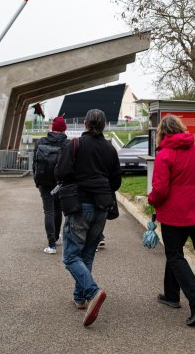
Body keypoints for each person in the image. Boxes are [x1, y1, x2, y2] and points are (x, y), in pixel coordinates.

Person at [54, 108, 121, 327]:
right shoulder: (110, 149)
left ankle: (93, 292)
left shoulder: (75, 145)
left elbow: (61, 173)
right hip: (102, 206)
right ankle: (80, 298)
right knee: (88, 253)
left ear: (85, 123)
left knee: (71, 256)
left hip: (79, 204)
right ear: (103, 126)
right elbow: (116, 182)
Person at [147, 114, 195, 327]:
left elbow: (160, 189)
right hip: (194, 212)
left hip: (173, 214)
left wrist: (151, 200)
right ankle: (171, 295)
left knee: (174, 255)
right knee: (175, 252)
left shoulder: (164, 154)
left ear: (162, 133)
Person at [32, 116, 67, 254]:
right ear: (64, 129)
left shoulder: (41, 141)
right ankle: (56, 236)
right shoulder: (67, 144)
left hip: (44, 182)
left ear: (52, 128)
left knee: (48, 211)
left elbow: (35, 163)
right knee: (58, 209)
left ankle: (51, 245)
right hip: (60, 182)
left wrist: (36, 179)